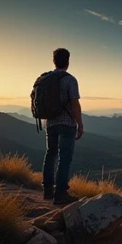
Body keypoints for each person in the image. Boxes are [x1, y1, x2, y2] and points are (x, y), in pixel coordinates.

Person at [42, 48, 84, 205]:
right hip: (67, 124)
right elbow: (74, 103)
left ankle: (47, 191)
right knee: (64, 157)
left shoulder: (45, 79)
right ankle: (60, 195)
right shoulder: (70, 80)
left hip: (50, 123)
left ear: (54, 61)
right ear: (68, 61)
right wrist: (79, 124)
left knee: (50, 154)